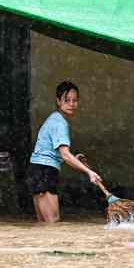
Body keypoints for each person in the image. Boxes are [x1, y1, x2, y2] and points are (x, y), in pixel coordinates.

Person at [27, 81, 102, 222]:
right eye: (67, 100)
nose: (71, 104)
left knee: (43, 224)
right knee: (53, 223)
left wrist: (75, 159)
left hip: (37, 171)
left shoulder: (54, 119)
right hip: (45, 172)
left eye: (75, 100)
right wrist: (89, 172)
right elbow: (65, 155)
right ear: (58, 101)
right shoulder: (60, 123)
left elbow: (59, 154)